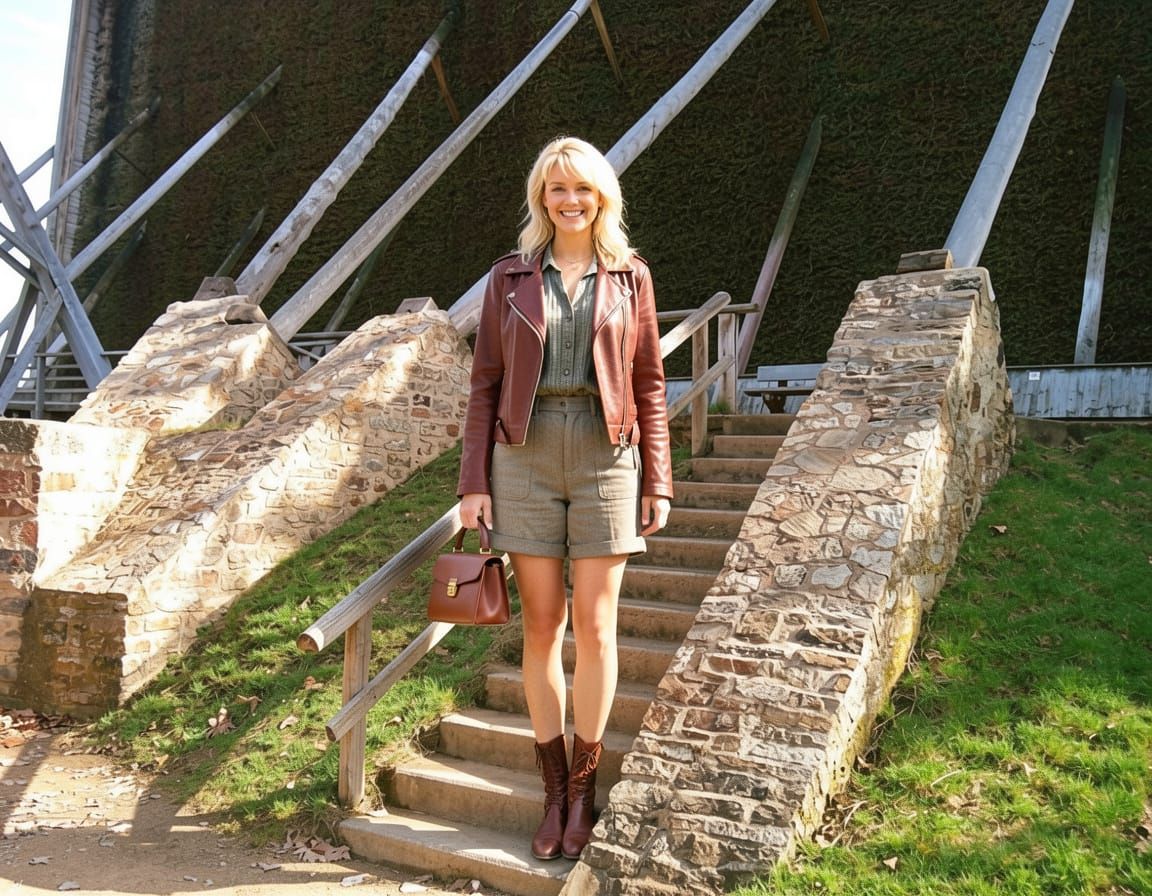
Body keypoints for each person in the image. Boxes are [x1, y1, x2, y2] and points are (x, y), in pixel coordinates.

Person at [457, 136, 673, 861]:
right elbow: (485, 383)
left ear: (601, 196)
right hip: (523, 454)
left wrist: (658, 478)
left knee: (598, 628)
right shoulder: (509, 277)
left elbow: (649, 383)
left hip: (608, 455)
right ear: (541, 198)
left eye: (582, 188)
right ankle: (552, 793)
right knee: (544, 627)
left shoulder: (632, 276)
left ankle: (585, 792)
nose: (570, 200)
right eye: (557, 189)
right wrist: (473, 481)